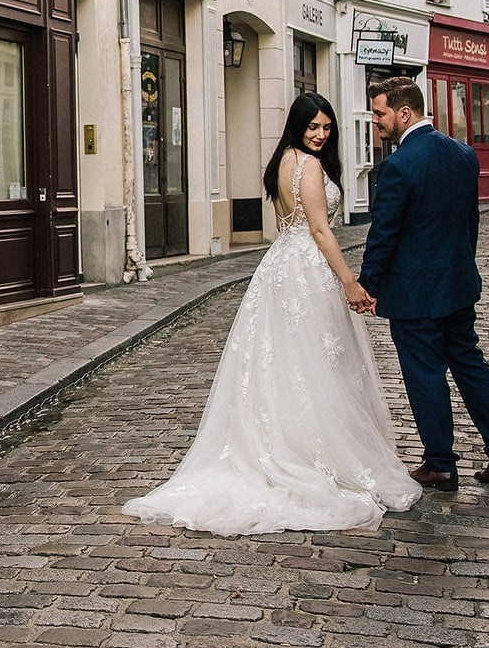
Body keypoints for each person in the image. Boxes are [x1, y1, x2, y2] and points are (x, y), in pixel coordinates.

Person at [123, 93, 422, 535]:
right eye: (313, 127)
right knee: (314, 363)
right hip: (307, 268)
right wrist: (349, 281)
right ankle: (310, 452)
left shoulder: (283, 161)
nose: (321, 135)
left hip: (280, 266)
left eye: (326, 128)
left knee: (284, 361)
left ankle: (281, 440)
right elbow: (320, 229)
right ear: (297, 127)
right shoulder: (312, 167)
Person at [356, 77, 489, 492]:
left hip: (415, 293)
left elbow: (384, 233)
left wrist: (367, 284)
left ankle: (440, 463)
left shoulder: (399, 165)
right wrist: (461, 268)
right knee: (470, 364)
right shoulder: (463, 154)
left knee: (424, 372)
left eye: (379, 113)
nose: (375, 121)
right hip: (457, 284)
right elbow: (470, 224)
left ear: (404, 113)